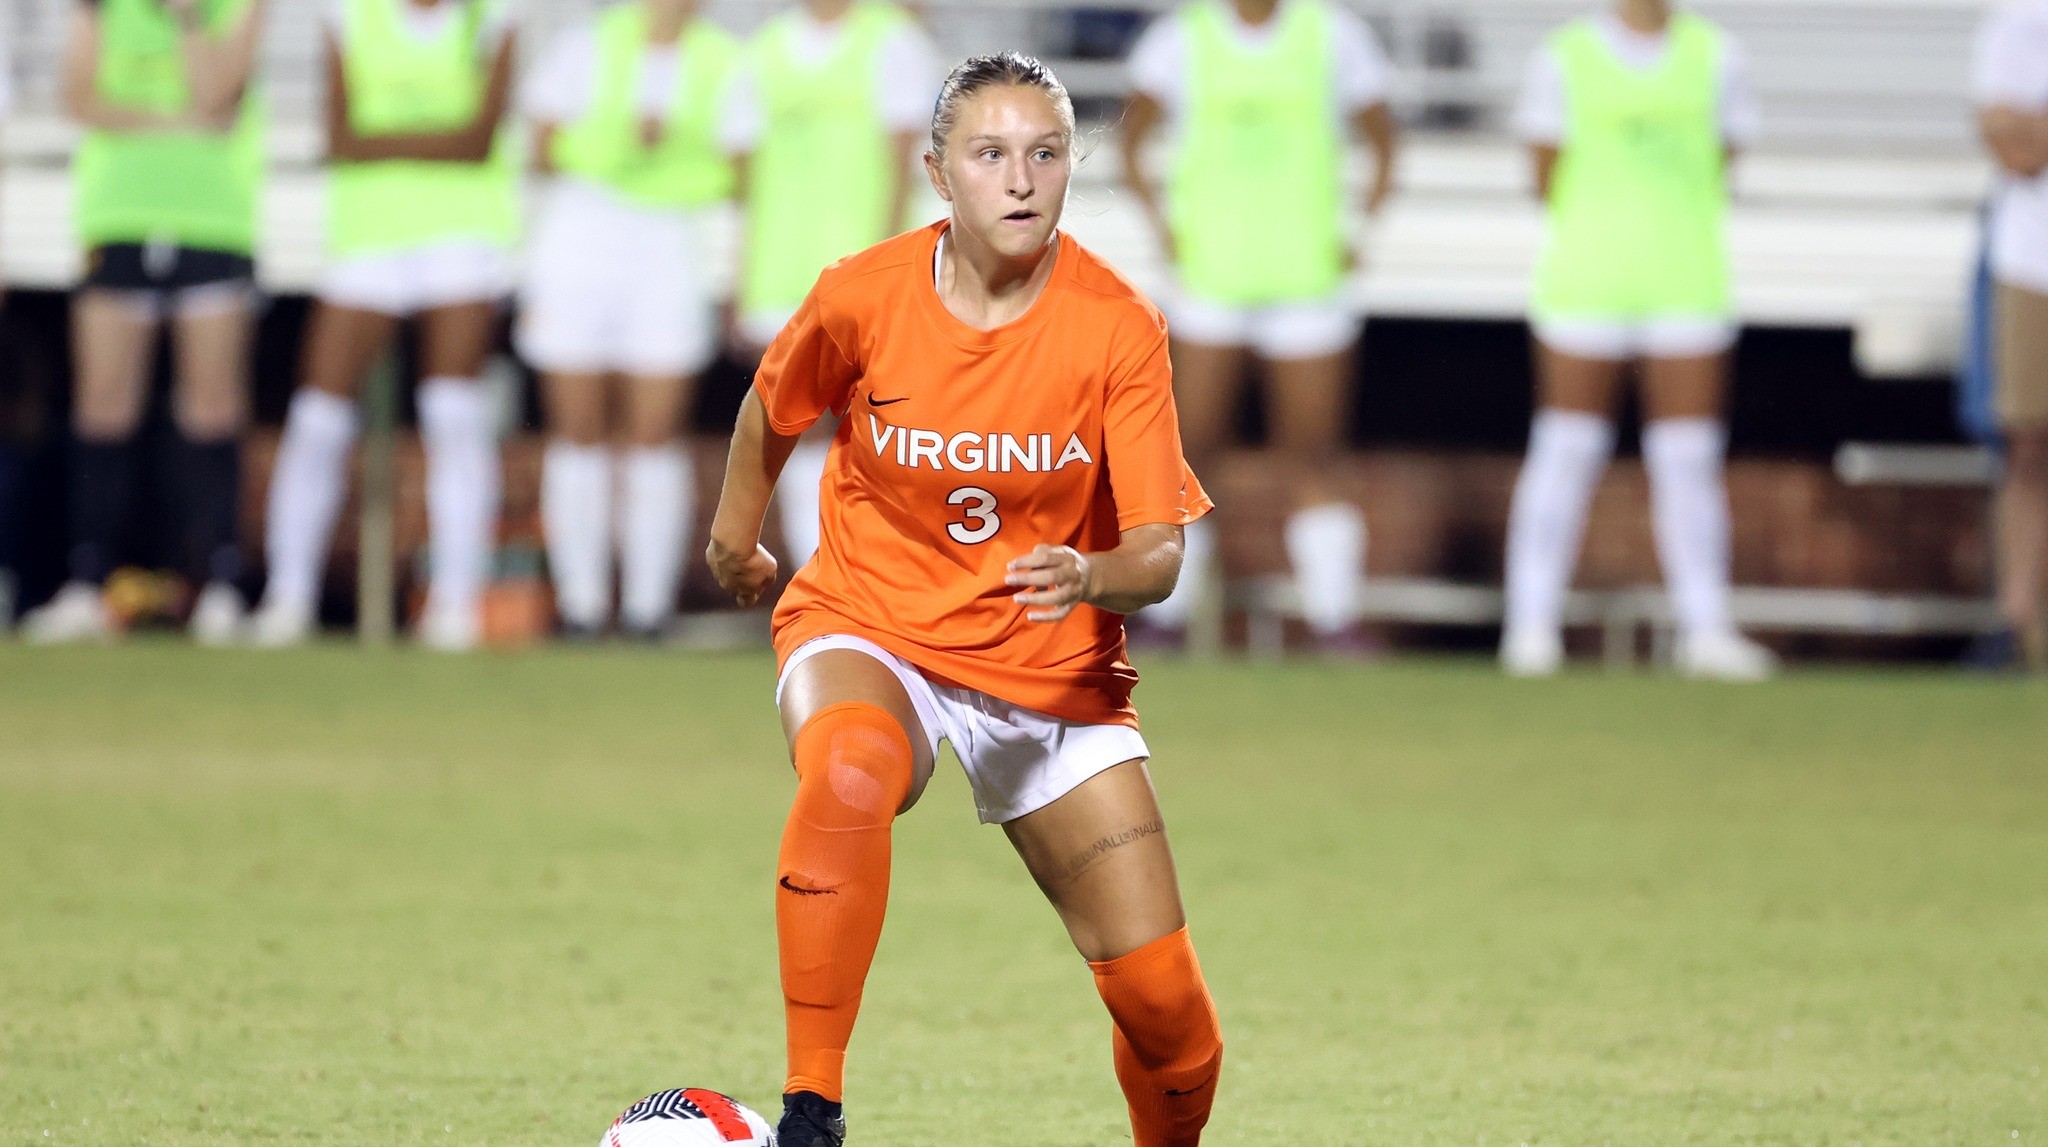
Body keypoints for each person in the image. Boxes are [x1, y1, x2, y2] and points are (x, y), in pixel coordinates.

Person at [706, 53, 1223, 1147]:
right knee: (849, 764)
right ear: (938, 172)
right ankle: (811, 1110)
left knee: (1164, 1010)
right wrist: (731, 535)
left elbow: (1159, 552)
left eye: (1044, 153)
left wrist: (1088, 574)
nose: (1022, 179)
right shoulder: (863, 293)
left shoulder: (1116, 326)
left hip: (1047, 669)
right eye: (990, 154)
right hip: (870, 618)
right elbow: (771, 405)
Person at [1498, 0, 1776, 679]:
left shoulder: (1718, 57)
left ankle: (1705, 628)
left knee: (1688, 458)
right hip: (1586, 282)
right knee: (1566, 449)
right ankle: (1530, 626)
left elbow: (1723, 161)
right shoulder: (1563, 57)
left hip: (1685, 282)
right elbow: (1543, 174)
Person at [1118, 0, 1397, 653]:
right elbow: (1131, 137)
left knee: (1315, 452)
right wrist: (1164, 227)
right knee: (1189, 453)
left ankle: (1333, 617)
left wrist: (1359, 228)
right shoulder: (1180, 39)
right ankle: (1167, 613)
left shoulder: (1332, 35)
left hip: (1307, 278)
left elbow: (1383, 134)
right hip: (1209, 280)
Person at [246, 0, 518, 650]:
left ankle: (455, 603)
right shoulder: (348, 14)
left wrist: (386, 140)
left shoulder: (494, 16)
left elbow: (478, 140)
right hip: (366, 239)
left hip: (464, 238)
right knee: (317, 418)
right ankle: (289, 595)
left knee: (454, 418)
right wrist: (438, 139)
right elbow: (341, 138)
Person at [23, 0, 266, 645]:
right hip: (119, 214)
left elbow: (219, 100)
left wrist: (188, 23)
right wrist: (172, 121)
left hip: (213, 220)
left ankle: (217, 584)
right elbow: (77, 98)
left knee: (211, 406)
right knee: (104, 405)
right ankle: (88, 579)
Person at [517, 0, 747, 639]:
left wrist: (637, 159)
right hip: (577, 246)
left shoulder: (724, 60)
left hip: (670, 251)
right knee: (577, 432)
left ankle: (647, 608)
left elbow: (741, 169)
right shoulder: (584, 46)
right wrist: (634, 149)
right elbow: (538, 147)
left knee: (655, 436)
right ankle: (581, 606)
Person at [728, 0, 939, 571]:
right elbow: (743, 179)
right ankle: (822, 577)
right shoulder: (763, 51)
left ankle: (872, 579)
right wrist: (739, 276)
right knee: (799, 427)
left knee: (875, 427)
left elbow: (907, 163)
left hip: (864, 271)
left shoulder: (891, 40)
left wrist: (893, 270)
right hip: (780, 271)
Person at [1974, 0, 2048, 672]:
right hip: (2035, 261)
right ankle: (2016, 623)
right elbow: (2012, 145)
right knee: (2028, 443)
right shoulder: (2019, 18)